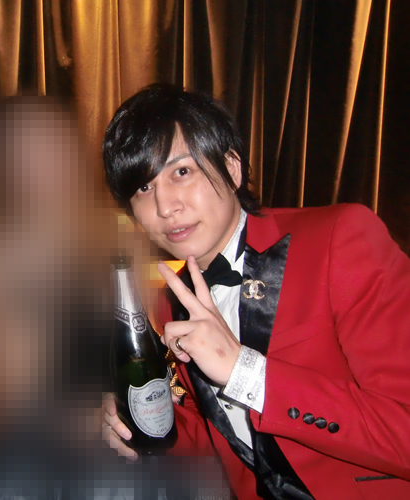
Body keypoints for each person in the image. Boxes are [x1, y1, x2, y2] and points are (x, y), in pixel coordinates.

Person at [101, 84, 410, 499]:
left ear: (231, 168)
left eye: (181, 172)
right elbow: (216, 436)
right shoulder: (171, 301)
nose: (165, 207)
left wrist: (245, 372)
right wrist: (143, 426)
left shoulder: (339, 239)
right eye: (143, 188)